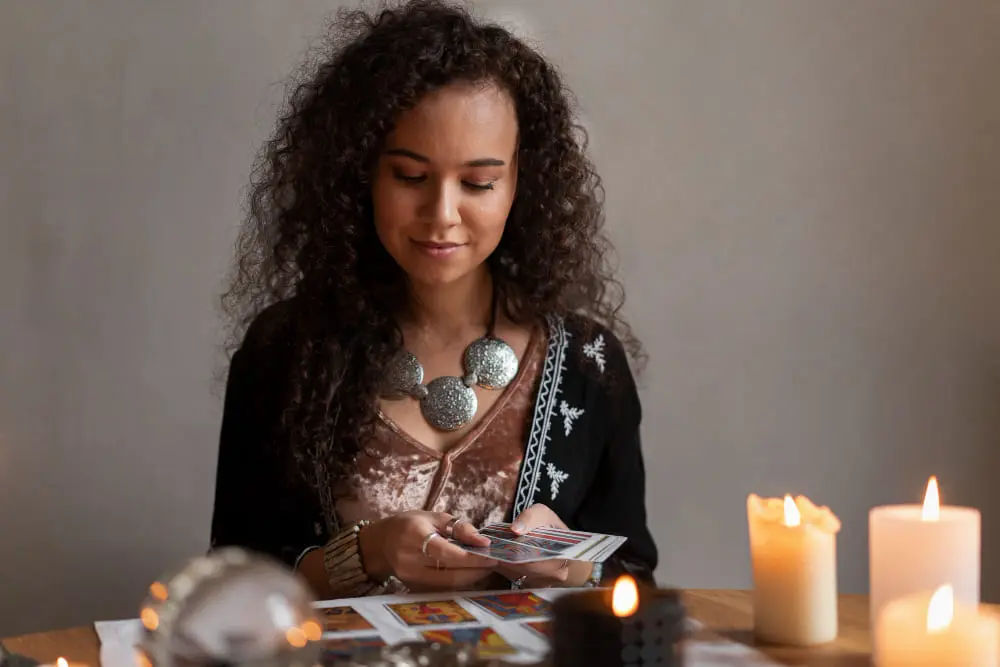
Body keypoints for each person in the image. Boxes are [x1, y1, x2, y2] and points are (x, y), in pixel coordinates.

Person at [210, 0, 657, 599]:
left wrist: (576, 565)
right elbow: (232, 586)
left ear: (523, 183)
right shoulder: (285, 352)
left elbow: (636, 580)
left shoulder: (587, 363)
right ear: (360, 174)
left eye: (478, 182)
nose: (442, 215)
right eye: (411, 177)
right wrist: (363, 553)